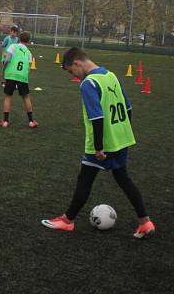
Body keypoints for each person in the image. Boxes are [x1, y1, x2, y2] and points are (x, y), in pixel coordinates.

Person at [41, 47, 156, 239]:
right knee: (122, 178)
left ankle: (67, 221)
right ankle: (145, 222)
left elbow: (97, 117)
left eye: (71, 71)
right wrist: (122, 132)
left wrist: (98, 146)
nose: (74, 75)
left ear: (77, 63)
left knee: (85, 178)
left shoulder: (89, 83)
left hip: (105, 143)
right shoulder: (111, 75)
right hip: (121, 138)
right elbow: (128, 108)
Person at [0, 31, 37, 128]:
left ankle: (5, 121)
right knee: (26, 97)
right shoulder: (29, 53)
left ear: (19, 39)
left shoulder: (13, 47)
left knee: (8, 96)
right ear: (28, 41)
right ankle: (31, 121)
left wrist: (3, 71)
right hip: (23, 77)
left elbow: (7, 59)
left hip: (11, 75)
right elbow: (28, 67)